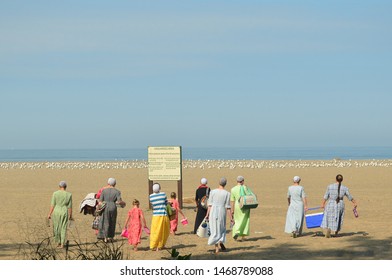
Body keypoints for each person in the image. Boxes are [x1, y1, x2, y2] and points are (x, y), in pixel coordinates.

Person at [206, 177, 233, 254]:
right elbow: (228, 207)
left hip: (213, 211)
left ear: (219, 182)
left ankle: (217, 248)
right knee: (222, 228)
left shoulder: (213, 192)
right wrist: (231, 218)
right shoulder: (227, 193)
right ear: (225, 184)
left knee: (214, 229)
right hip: (221, 211)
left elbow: (209, 205)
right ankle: (221, 241)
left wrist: (207, 214)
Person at [97, 178, 125, 243]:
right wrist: (123, 203)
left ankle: (105, 237)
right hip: (113, 206)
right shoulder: (117, 191)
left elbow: (100, 201)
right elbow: (119, 201)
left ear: (108, 183)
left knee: (105, 222)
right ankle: (111, 237)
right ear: (115, 184)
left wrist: (98, 208)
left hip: (105, 206)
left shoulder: (104, 191)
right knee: (112, 221)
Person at [47, 181, 73, 248]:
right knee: (63, 227)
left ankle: (58, 242)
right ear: (65, 187)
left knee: (56, 227)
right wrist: (70, 215)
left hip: (56, 211)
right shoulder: (69, 194)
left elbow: (52, 205)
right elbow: (70, 206)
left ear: (59, 186)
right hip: (64, 211)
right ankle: (62, 244)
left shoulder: (55, 193)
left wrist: (49, 214)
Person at [149, 183, 170, 251]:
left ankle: (153, 245)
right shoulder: (163, 194)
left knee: (155, 231)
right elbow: (166, 202)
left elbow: (152, 206)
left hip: (155, 216)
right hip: (163, 215)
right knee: (164, 231)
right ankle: (161, 245)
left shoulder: (151, 197)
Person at [230, 176, 251, 241]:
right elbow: (248, 196)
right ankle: (243, 236)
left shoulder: (233, 189)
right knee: (245, 220)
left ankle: (236, 232)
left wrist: (232, 209)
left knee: (236, 219)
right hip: (244, 205)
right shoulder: (245, 187)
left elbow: (232, 200)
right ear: (243, 181)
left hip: (237, 205)